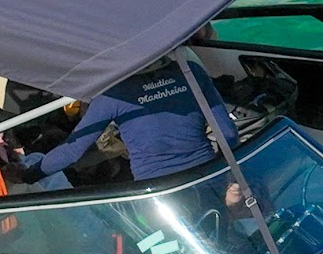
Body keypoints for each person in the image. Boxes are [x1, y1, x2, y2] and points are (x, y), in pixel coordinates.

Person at [18, 57, 226, 191]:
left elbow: (72, 151)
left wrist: (27, 176)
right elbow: (228, 133)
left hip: (157, 190)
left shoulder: (113, 94)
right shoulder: (191, 72)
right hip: (209, 175)